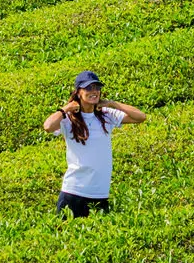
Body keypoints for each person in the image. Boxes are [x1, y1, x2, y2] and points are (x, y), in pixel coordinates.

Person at [41, 70, 147, 218]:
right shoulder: (68, 119)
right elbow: (48, 126)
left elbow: (140, 117)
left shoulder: (106, 114)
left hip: (100, 193)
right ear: (78, 92)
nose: (94, 91)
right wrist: (66, 109)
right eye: (89, 88)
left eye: (97, 88)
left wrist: (112, 103)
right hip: (74, 192)